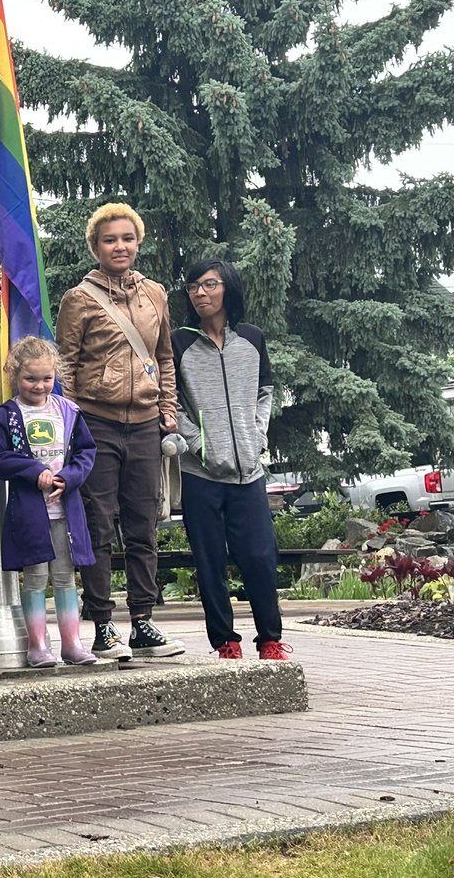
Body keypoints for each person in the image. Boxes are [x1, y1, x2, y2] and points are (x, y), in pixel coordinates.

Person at [55, 202, 186, 659]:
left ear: (138, 241)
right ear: (96, 246)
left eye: (127, 238)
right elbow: (65, 365)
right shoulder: (80, 298)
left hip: (146, 423)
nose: (120, 246)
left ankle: (144, 622)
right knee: (96, 525)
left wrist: (167, 406)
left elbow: (165, 356)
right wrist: (70, 420)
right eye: (110, 239)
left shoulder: (156, 293)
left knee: (143, 525)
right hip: (97, 423)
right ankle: (103, 626)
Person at [173, 260, 291, 660]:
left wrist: (257, 436)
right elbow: (171, 402)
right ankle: (225, 642)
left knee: (260, 557)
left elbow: (265, 391)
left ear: (228, 289)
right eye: (193, 287)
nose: (200, 293)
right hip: (201, 473)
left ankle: (270, 639)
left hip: (249, 472)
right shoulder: (179, 343)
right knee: (210, 562)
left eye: (209, 284)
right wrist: (198, 444)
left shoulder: (252, 338)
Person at [0, 336, 99, 667]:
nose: (39, 385)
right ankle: (37, 645)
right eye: (30, 378)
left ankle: (72, 643)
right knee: (34, 578)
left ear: (56, 375)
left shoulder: (69, 411)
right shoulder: (8, 415)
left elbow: (86, 452)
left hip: (65, 513)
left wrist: (70, 478)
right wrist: (33, 472)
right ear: (14, 376)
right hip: (31, 513)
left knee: (65, 577)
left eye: (46, 378)